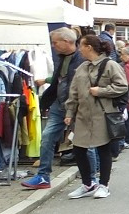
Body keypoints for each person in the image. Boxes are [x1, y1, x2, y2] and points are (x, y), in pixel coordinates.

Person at [63, 34, 129, 200]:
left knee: (103, 149)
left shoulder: (110, 65)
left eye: (81, 46)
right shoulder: (82, 67)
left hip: (102, 114)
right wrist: (70, 113)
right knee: (78, 149)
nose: (79, 49)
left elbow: (122, 87)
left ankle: (104, 185)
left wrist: (101, 91)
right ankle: (88, 184)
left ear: (89, 47)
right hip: (83, 116)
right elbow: (74, 92)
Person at [23, 28, 86, 189]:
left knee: (84, 142)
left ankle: (92, 179)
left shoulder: (82, 59)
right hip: (59, 104)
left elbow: (79, 85)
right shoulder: (61, 57)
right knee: (47, 137)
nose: (53, 45)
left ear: (66, 41)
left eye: (55, 42)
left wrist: (74, 107)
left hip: (77, 106)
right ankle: (43, 176)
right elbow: (60, 80)